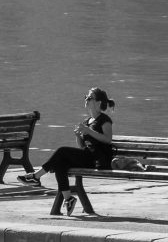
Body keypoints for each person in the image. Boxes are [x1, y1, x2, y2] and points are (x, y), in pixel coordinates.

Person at [17, 87, 115, 216]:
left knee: (62, 151)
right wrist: (78, 136)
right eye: (85, 97)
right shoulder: (87, 121)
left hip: (98, 160)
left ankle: (36, 176)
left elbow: (107, 139)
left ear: (98, 103)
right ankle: (68, 199)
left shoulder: (104, 120)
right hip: (87, 156)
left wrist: (88, 131)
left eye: (89, 97)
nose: (86, 99)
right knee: (60, 163)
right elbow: (82, 146)